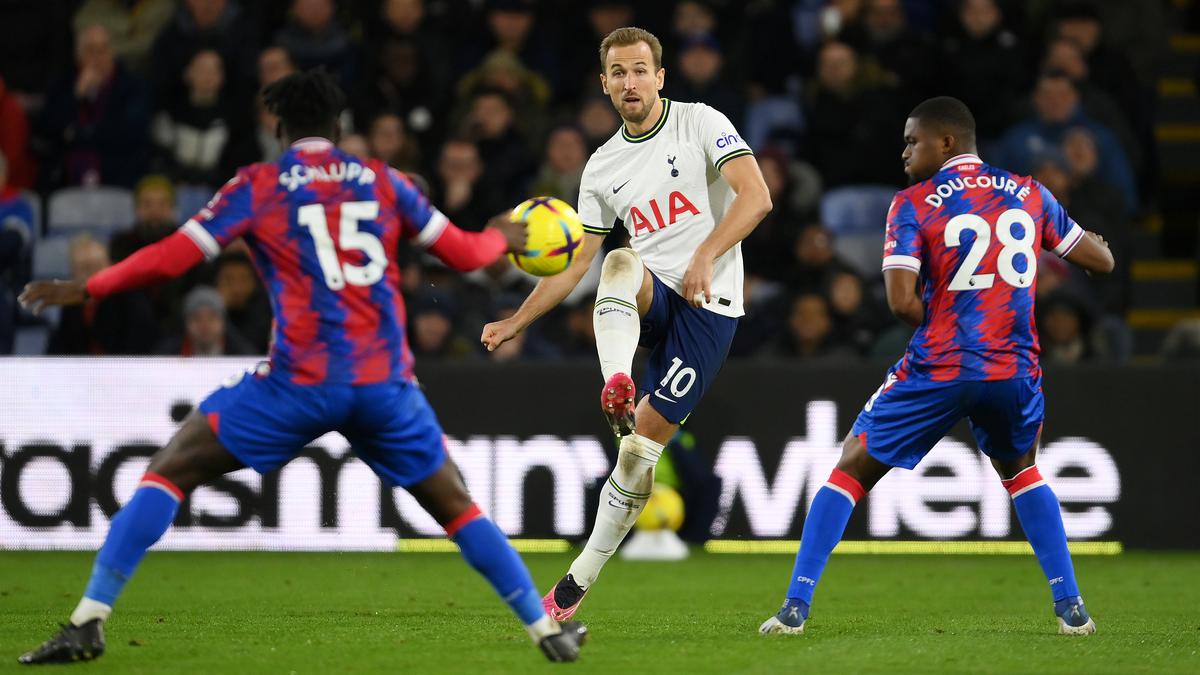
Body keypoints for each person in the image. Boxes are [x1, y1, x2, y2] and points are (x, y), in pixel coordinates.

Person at [18, 70, 587, 664]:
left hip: (299, 384)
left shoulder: (259, 184)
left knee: (171, 469)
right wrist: (498, 235)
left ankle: (88, 620)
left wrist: (92, 287)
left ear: (278, 127)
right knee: (457, 505)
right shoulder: (383, 181)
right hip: (385, 385)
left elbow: (172, 257)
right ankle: (544, 628)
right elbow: (467, 254)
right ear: (339, 128)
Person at [758, 96, 1114, 638]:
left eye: (911, 140)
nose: (904, 151)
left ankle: (794, 608)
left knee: (850, 466)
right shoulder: (1028, 191)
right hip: (1014, 369)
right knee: (1022, 472)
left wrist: (950, 323)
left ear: (946, 142)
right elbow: (1099, 261)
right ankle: (1072, 609)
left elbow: (901, 303)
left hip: (942, 365)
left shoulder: (914, 203)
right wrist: (1099, 246)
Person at [481, 26, 771, 621]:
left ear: (660, 77)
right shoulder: (602, 165)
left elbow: (756, 197)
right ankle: (617, 382)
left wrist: (704, 255)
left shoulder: (701, 122)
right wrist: (518, 319)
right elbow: (576, 263)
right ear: (605, 85)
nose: (630, 81)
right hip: (652, 294)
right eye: (618, 72)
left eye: (640, 70)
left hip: (709, 309)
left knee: (639, 453)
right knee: (616, 258)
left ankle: (574, 584)